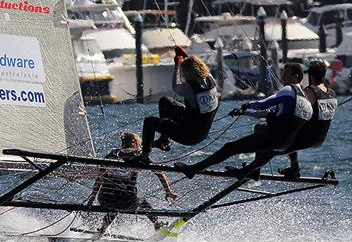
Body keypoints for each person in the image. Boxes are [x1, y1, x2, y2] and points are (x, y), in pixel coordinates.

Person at [177, 62, 311, 179]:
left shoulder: (288, 90)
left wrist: (249, 104)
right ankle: (251, 171)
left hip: (273, 138)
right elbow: (267, 113)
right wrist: (244, 112)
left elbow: (263, 104)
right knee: (259, 128)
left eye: (286, 74)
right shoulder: (304, 99)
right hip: (286, 144)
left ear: (296, 77)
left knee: (229, 148)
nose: (283, 78)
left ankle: (193, 169)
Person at [86, 131, 177, 236]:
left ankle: (102, 230)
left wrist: (92, 197)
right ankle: (157, 224)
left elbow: (99, 178)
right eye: (140, 144)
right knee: (140, 200)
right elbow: (159, 172)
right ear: (134, 143)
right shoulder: (138, 156)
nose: (141, 146)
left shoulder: (111, 155)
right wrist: (168, 191)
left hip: (105, 200)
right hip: (128, 202)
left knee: (116, 202)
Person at [140, 49, 219, 159]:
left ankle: (144, 156)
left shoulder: (190, 87)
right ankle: (164, 140)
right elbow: (194, 64)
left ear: (190, 72)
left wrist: (177, 63)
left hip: (188, 135)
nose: (183, 76)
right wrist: (184, 56)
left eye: (184, 73)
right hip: (201, 132)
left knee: (149, 122)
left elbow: (175, 86)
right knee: (165, 101)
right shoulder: (210, 80)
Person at [277, 60, 338, 179]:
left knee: (275, 139)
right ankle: (294, 169)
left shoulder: (310, 91)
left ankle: (250, 170)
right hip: (320, 138)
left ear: (310, 75)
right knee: (290, 132)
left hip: (307, 137)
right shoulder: (332, 93)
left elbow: (297, 110)